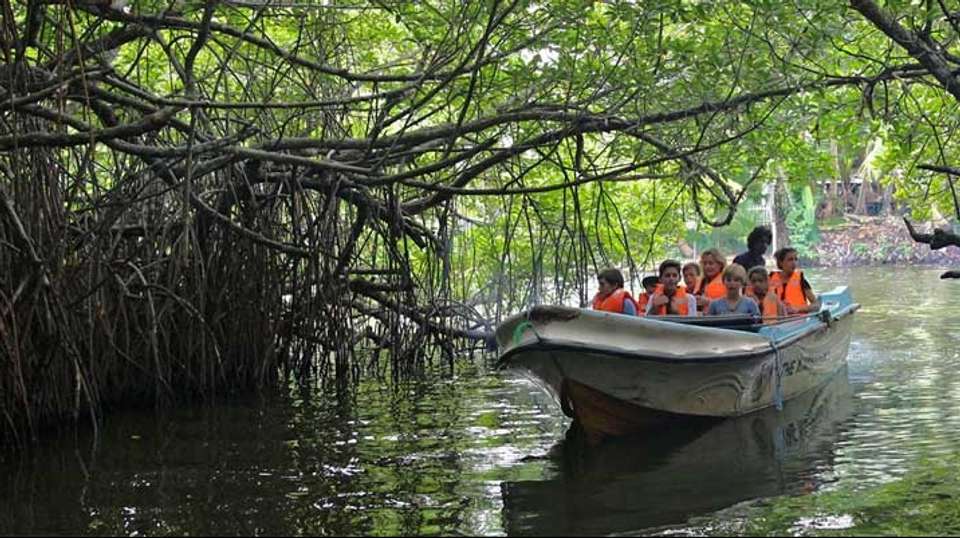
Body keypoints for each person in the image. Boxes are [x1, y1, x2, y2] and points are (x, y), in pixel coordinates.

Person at [769, 248, 820, 314]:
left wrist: (797, 309)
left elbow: (816, 305)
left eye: (796, 259)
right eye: (790, 260)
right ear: (781, 263)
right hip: (775, 320)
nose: (794, 263)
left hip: (798, 320)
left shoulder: (801, 280)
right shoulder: (769, 279)